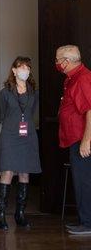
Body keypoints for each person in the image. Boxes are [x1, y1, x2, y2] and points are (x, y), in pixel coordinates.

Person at [0, 56, 41, 230]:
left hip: (28, 135)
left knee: (25, 172)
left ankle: (20, 213)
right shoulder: (5, 92)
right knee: (7, 171)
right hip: (9, 135)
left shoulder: (33, 91)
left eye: (28, 68)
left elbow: (32, 113)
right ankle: (1, 214)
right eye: (21, 67)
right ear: (14, 70)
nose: (25, 70)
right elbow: (2, 115)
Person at [55, 45, 91, 235]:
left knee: (84, 181)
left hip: (81, 140)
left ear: (66, 62)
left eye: (57, 60)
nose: (56, 64)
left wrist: (87, 140)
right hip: (74, 138)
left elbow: (90, 109)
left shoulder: (82, 78)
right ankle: (84, 220)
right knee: (81, 180)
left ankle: (88, 223)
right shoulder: (73, 78)